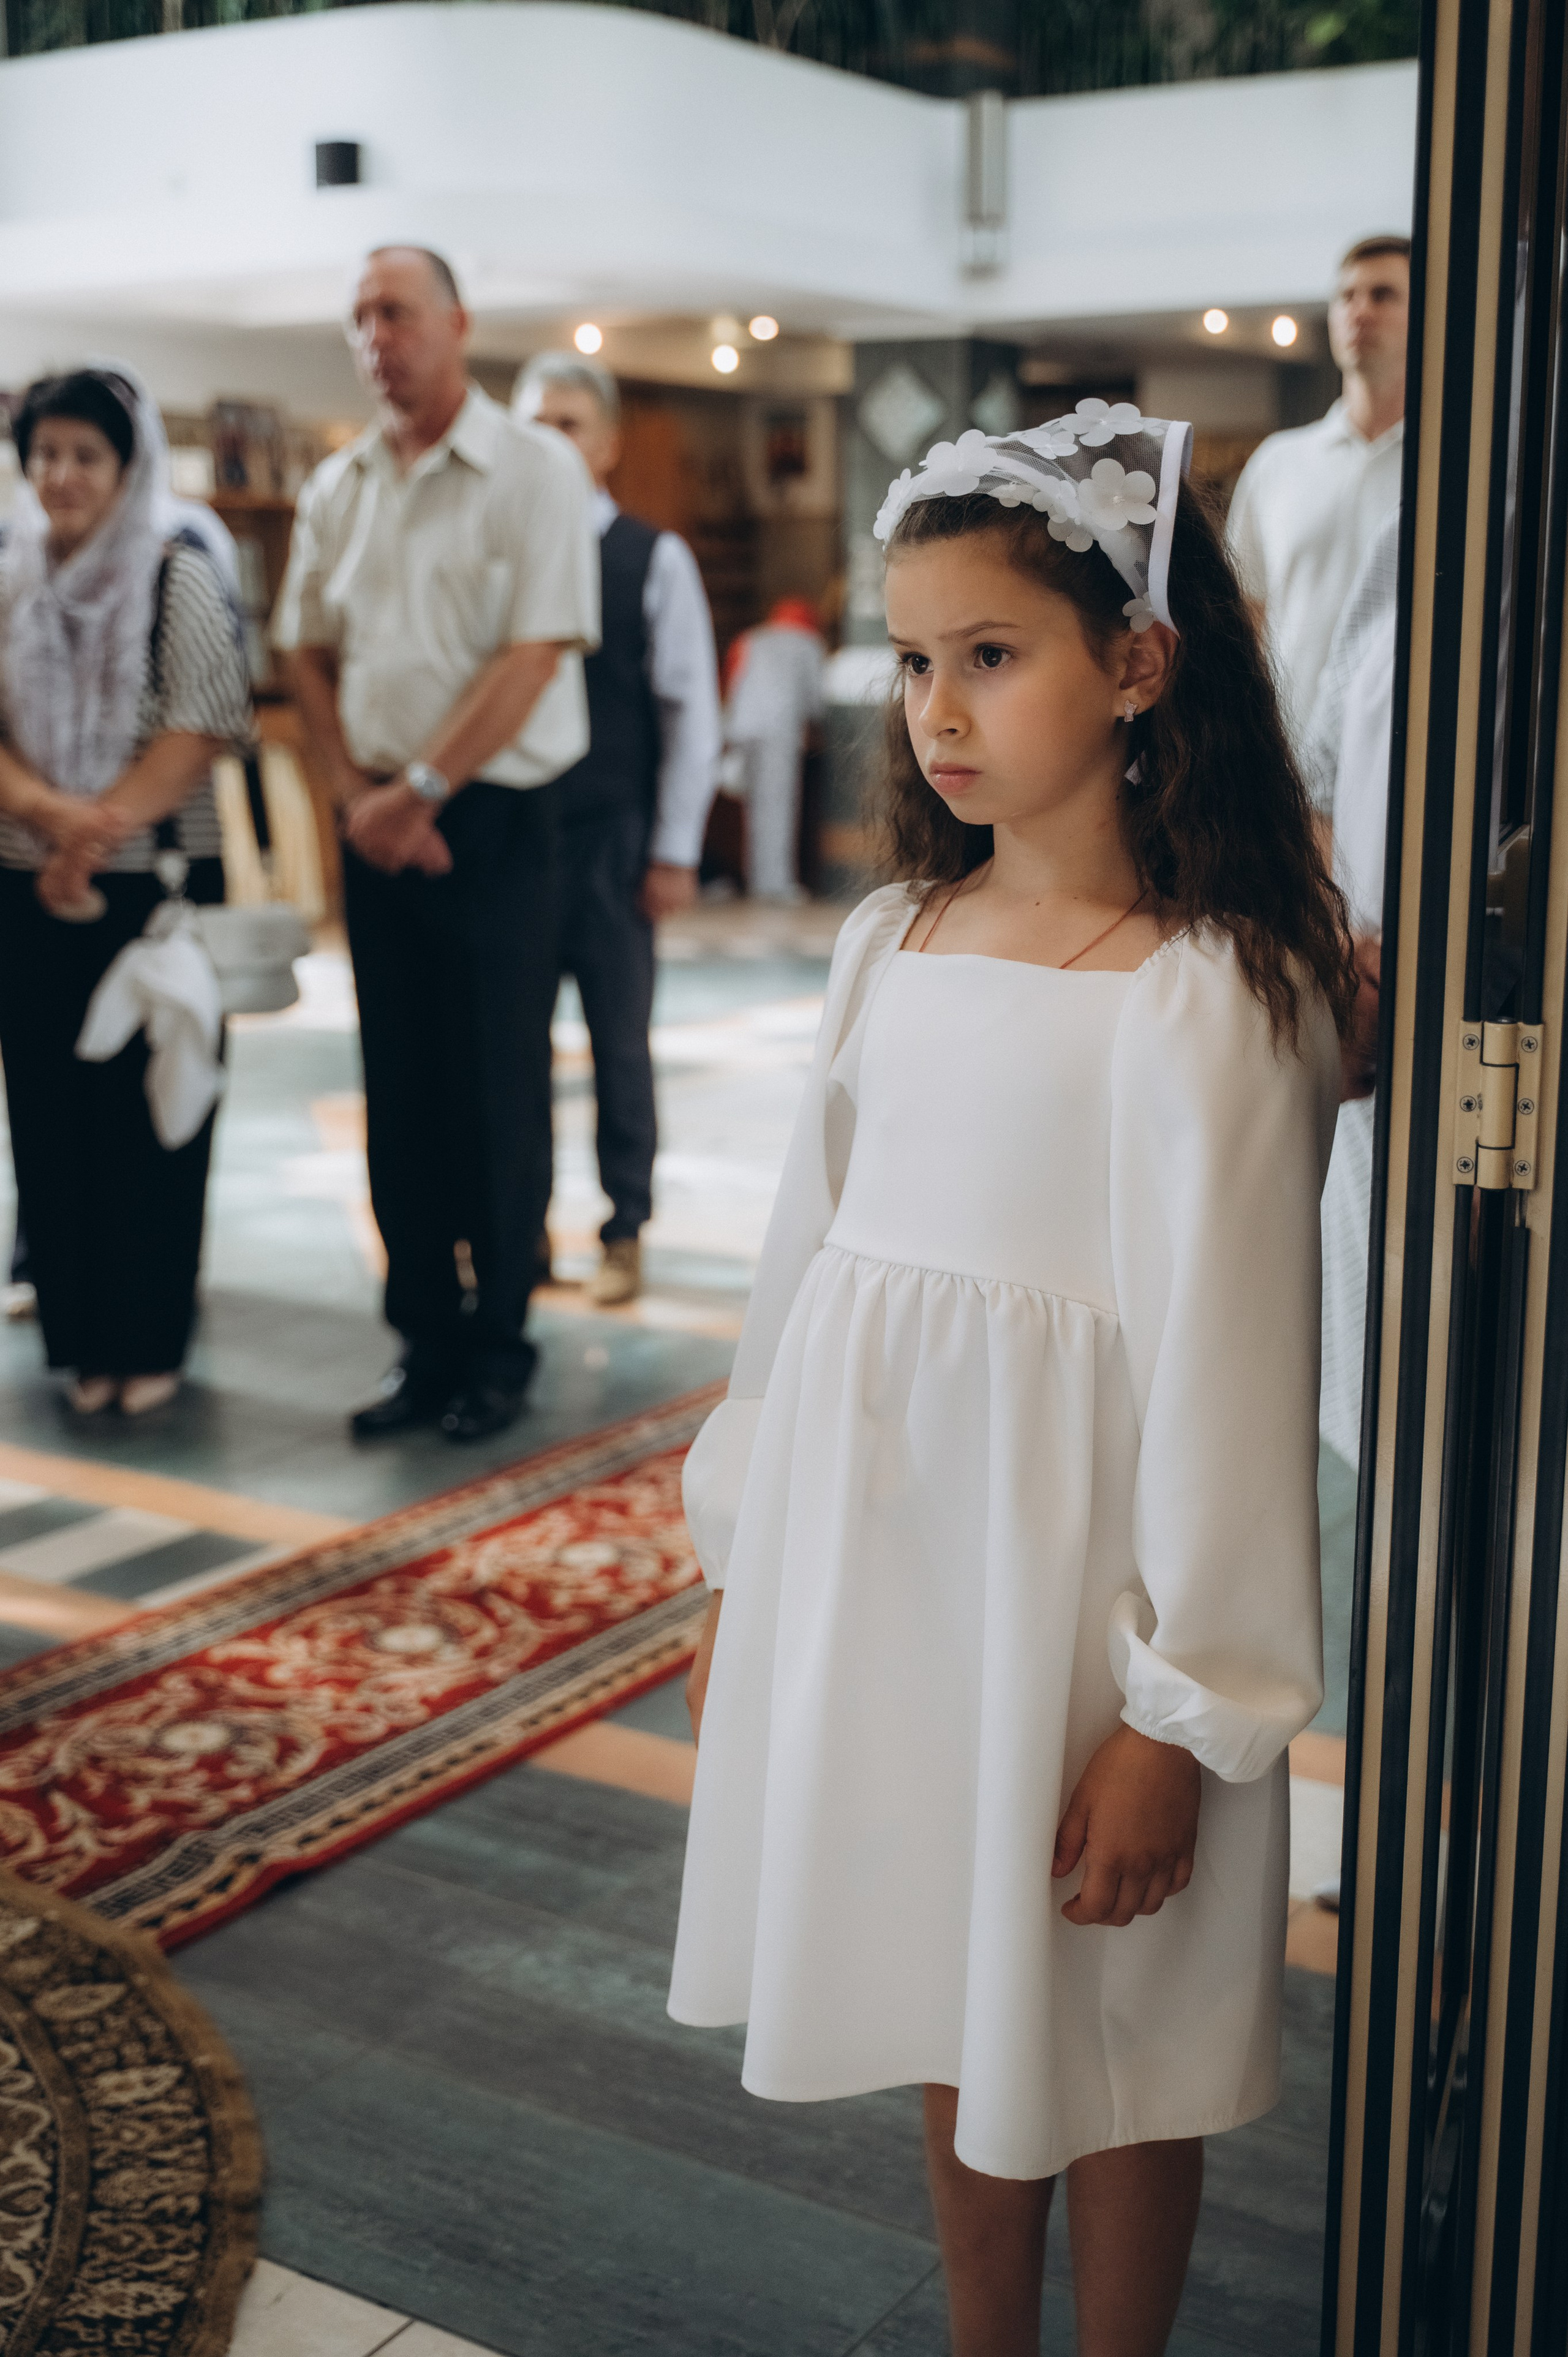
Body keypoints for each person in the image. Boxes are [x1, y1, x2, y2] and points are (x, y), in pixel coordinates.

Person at [669, 411, 1353, 2355]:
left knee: (1109, 2027)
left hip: (1084, 1606)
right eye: (910, 661)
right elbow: (801, 1280)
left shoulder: (1199, 991)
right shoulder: (894, 936)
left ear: (1134, 664)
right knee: (957, 1988)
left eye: (991, 654)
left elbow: (1233, 1379)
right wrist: (741, 1555)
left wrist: (1179, 1714)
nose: (933, 710)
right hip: (900, 1571)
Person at [274, 247, 600, 1444]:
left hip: (496, 820)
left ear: (456, 323)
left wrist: (418, 791)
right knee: (399, 1090)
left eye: (395, 314)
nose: (375, 339)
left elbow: (533, 653)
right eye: (359, 319)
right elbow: (303, 650)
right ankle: (423, 1338)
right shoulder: (338, 485)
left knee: (495, 1084)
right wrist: (356, 794)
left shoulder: (533, 469)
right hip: (376, 817)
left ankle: (498, 1341)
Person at [0, 365, 250, 1416]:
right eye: (45, 454)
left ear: (126, 465)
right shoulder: (10, 572)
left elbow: (202, 726)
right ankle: (82, 1338)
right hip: (28, 881)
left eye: (85, 456)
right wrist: (55, 823)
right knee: (50, 1118)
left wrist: (91, 833)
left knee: (147, 1118)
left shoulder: (172, 569)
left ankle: (148, 1336)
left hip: (152, 883)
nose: (62, 476)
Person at [513, 352, 720, 1308]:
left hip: (611, 837)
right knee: (508, 1044)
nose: (548, 441)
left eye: (566, 423)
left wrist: (675, 847)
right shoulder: (503, 552)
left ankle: (624, 1227)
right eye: (533, 423)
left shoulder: (650, 556)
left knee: (617, 1043)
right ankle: (518, 1232)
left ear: (605, 443)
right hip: (512, 839)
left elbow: (689, 709)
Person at [1227, 235, 1409, 749]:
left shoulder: (1453, 471)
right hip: (1288, 762)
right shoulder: (1278, 462)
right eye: (1346, 296)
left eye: (1383, 295)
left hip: (1410, 767)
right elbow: (1247, 620)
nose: (1360, 311)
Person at [723, 595, 826, 902]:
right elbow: (816, 698)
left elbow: (733, 678)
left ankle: (756, 881)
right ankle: (773, 886)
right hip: (777, 730)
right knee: (778, 809)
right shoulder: (808, 642)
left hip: (742, 726)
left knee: (753, 811)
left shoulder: (752, 637)